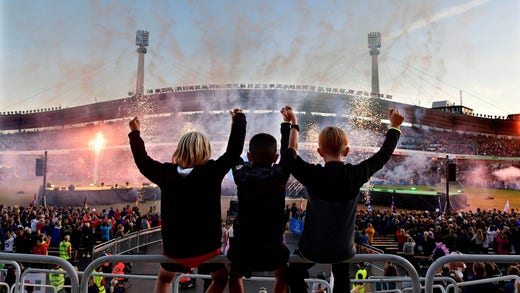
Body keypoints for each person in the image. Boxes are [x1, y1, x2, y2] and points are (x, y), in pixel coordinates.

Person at [284, 108, 404, 293]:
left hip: (312, 249)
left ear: (320, 151)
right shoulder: (355, 174)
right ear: (346, 151)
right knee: (342, 275)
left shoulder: (313, 174)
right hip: (343, 249)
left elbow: (288, 155)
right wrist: (394, 127)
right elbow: (383, 156)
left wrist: (292, 124)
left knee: (293, 273)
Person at [128, 108, 246, 293]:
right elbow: (233, 151)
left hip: (175, 249)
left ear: (179, 150)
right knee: (221, 278)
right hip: (207, 248)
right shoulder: (211, 172)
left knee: (165, 278)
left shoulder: (166, 173)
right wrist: (238, 120)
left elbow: (142, 161)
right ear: (206, 150)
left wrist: (135, 132)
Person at [226, 106, 295, 293]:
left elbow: (233, 153)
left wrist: (238, 121)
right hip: (272, 245)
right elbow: (289, 150)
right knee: (282, 274)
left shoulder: (242, 176)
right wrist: (287, 124)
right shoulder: (280, 174)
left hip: (244, 246)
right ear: (276, 157)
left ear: (249, 157)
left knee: (234, 274)